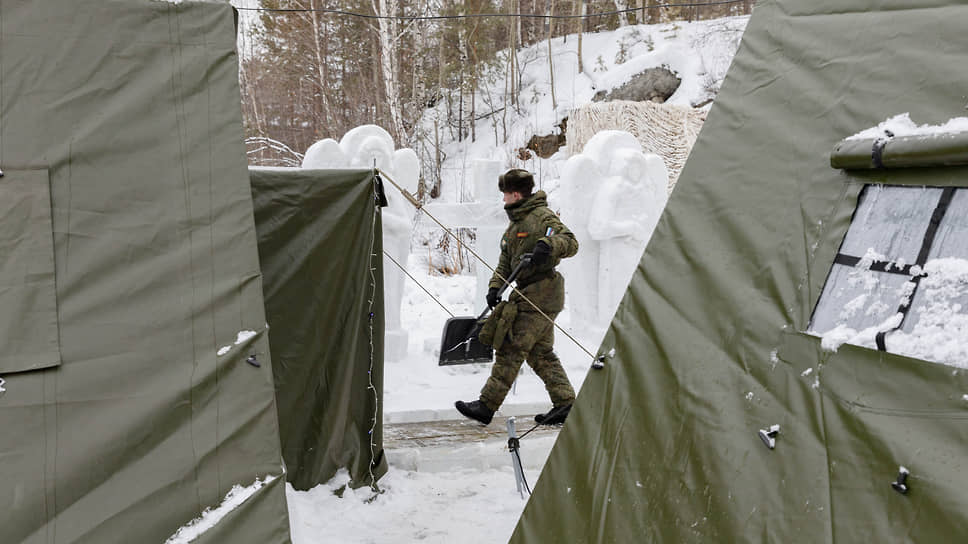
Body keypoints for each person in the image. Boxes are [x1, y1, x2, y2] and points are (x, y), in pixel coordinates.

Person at [455, 169, 578, 426]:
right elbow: (504, 265)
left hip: (542, 293)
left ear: (514, 194)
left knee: (511, 347)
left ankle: (486, 406)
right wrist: (494, 288)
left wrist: (548, 245)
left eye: (505, 195)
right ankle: (565, 403)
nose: (503, 201)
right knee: (540, 353)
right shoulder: (515, 226)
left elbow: (570, 241)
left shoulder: (542, 216)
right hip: (527, 292)